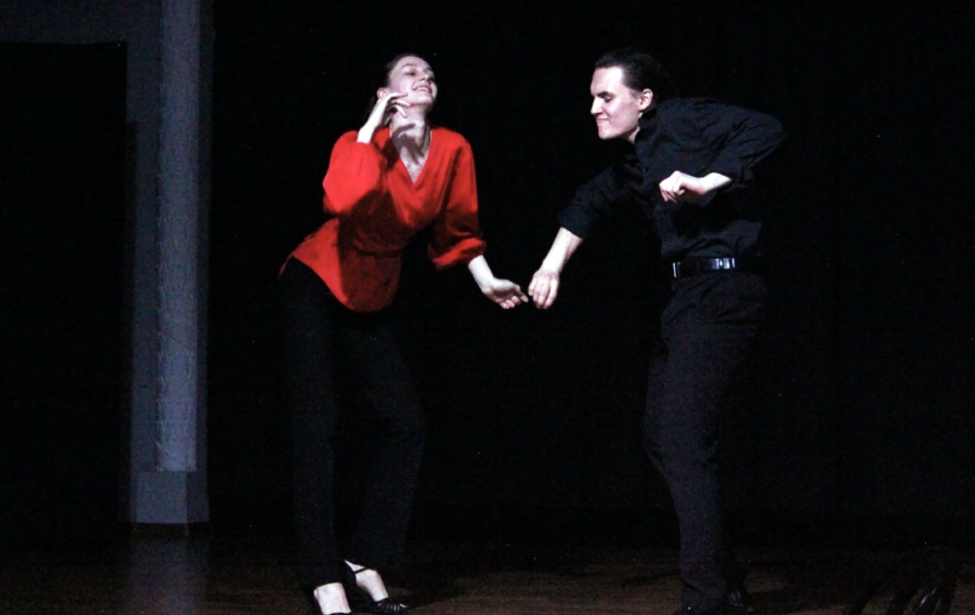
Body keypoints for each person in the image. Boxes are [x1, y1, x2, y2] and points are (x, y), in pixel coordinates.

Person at [528, 48, 785, 615]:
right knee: (661, 439)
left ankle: (707, 598)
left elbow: (766, 129)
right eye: (592, 98)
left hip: (724, 290)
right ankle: (723, 582)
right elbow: (589, 202)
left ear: (644, 99)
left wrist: (708, 182)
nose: (594, 108)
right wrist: (551, 267)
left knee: (683, 441)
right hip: (688, 298)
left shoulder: (680, 117)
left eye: (606, 97)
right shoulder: (635, 162)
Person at [279, 53, 528, 615]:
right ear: (385, 92)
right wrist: (372, 127)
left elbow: (458, 227)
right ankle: (322, 577)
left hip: (372, 289)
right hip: (317, 279)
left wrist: (486, 280)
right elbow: (342, 201)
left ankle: (365, 559)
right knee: (317, 426)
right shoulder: (361, 143)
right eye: (410, 72)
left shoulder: (453, 148)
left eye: (430, 74)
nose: (424, 77)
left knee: (405, 421)